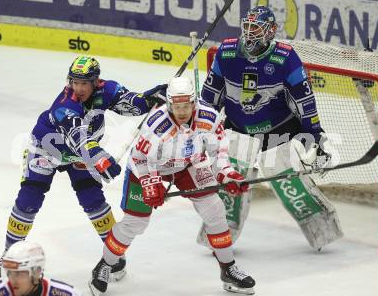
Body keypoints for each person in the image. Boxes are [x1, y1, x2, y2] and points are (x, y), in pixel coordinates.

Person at [0, 55, 165, 281]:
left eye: (84, 83)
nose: (78, 88)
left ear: (95, 82)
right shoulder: (65, 103)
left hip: (80, 155)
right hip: (47, 149)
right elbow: (77, 137)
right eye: (74, 82)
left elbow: (133, 103)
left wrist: (153, 97)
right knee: (29, 199)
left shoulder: (107, 90)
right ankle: (10, 254)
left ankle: (114, 256)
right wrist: (100, 158)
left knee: (93, 201)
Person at [88, 76, 256, 295]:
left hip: (188, 165)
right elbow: (138, 158)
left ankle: (228, 269)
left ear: (194, 103)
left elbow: (218, 152)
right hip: (149, 168)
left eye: (187, 105)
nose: (183, 111)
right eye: (177, 106)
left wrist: (227, 174)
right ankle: (105, 265)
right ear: (169, 104)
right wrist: (150, 183)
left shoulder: (209, 117)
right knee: (135, 223)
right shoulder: (157, 123)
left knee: (214, 209)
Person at [199, 5, 343, 250]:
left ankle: (323, 230)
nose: (250, 33)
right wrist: (200, 132)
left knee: (289, 184)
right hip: (238, 130)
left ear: (271, 30)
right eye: (248, 27)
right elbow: (209, 98)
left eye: (257, 28)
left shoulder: (286, 58)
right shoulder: (227, 52)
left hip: (279, 132)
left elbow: (304, 103)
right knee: (231, 185)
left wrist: (316, 138)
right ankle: (220, 237)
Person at [0, 240, 80, 296]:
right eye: (9, 273)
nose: (13, 280)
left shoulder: (66, 294)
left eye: (19, 274)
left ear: (36, 272)